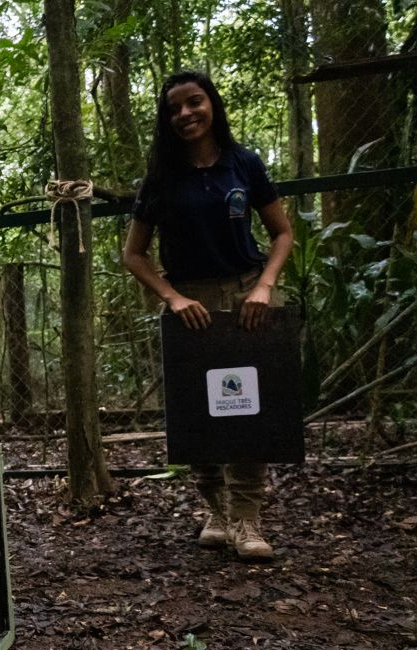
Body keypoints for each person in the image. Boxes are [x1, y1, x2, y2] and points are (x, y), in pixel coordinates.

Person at [121, 70, 294, 562]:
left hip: (247, 297)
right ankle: (215, 511)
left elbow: (282, 233)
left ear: (211, 104)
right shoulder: (161, 177)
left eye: (194, 102)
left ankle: (246, 517)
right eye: (174, 109)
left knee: (249, 410)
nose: (185, 115)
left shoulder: (245, 164)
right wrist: (172, 297)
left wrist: (264, 286)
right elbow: (134, 253)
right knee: (199, 409)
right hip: (191, 303)